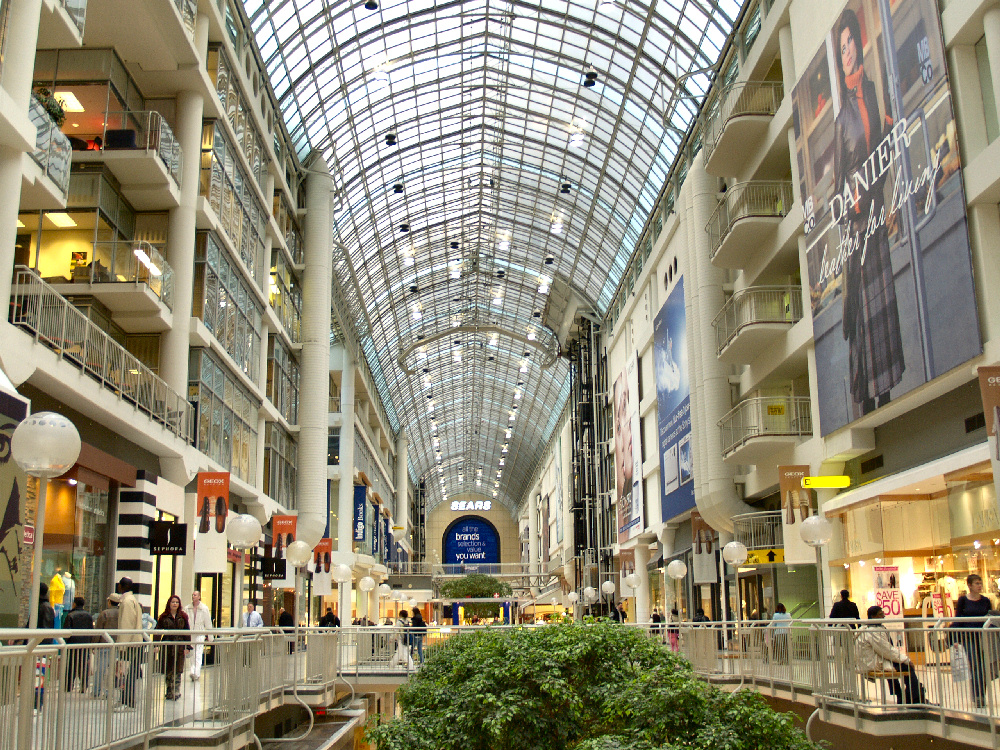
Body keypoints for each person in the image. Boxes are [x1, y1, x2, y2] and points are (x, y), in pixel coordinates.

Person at [833, 7, 904, 417]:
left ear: (859, 44)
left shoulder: (875, 93)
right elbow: (837, 187)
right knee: (862, 314)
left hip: (876, 219)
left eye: (849, 44)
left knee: (882, 308)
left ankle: (887, 392)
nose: (846, 52)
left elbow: (888, 144)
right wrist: (851, 201)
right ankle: (868, 398)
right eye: (840, 48)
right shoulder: (842, 119)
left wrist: (884, 193)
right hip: (859, 227)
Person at [858, 605, 928, 705]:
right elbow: (887, 650)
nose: (883, 616)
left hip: (875, 660)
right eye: (880, 614)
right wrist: (905, 659)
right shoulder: (873, 631)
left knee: (896, 667)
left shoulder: (871, 629)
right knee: (906, 666)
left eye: (883, 614)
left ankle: (903, 695)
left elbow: (887, 650)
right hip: (875, 662)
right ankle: (915, 697)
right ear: (873, 617)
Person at [954, 573, 993, 708]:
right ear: (969, 585)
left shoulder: (986, 600)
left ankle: (981, 694)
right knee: (975, 666)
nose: (979, 586)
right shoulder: (963, 600)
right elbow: (958, 619)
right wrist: (955, 638)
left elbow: (990, 618)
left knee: (984, 667)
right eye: (977, 583)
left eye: (980, 583)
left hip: (984, 637)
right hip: (968, 637)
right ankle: (978, 696)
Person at [154, 595, 190, 700]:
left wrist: (187, 646)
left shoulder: (183, 616)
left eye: (177, 602)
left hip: (179, 645)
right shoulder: (163, 617)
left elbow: (187, 631)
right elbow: (158, 631)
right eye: (173, 602)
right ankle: (169, 690)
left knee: (178, 669)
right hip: (167, 645)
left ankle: (176, 691)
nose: (175, 604)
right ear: (169, 603)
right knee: (168, 669)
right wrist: (156, 644)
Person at [116, 576, 144, 710]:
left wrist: (122, 645)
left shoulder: (127, 602)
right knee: (130, 673)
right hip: (135, 641)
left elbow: (126, 624)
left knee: (127, 673)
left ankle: (127, 701)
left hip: (130, 643)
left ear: (121, 586)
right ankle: (126, 700)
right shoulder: (132, 600)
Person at [62, 596, 95, 692]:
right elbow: (91, 631)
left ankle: (68, 686)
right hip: (85, 645)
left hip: (72, 644)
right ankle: (84, 686)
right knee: (83, 665)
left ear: (74, 604)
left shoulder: (70, 615)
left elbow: (66, 632)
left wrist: (65, 643)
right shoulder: (89, 616)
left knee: (70, 666)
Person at [92, 593, 120, 698]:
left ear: (109, 601)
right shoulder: (121, 613)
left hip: (103, 645)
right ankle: (109, 692)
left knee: (100, 670)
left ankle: (96, 691)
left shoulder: (104, 614)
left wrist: (94, 645)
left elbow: (98, 630)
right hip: (116, 645)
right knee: (112, 671)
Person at [184, 590, 213, 681]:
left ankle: (196, 672)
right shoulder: (187, 608)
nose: (193, 596)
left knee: (198, 652)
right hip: (190, 633)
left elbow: (208, 622)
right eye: (193, 595)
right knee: (192, 653)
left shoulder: (204, 608)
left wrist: (210, 636)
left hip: (200, 632)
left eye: (195, 595)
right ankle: (192, 671)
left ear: (199, 597)